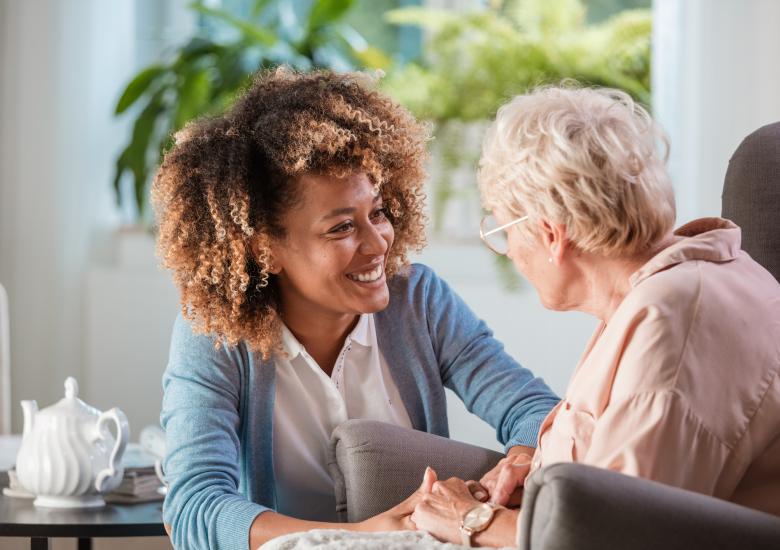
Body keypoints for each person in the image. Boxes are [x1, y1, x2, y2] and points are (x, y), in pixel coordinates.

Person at [154, 68, 559, 550]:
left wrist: (520, 460)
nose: (377, 244)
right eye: (341, 228)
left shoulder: (419, 300)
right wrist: (358, 539)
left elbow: (535, 409)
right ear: (265, 250)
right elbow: (194, 507)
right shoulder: (215, 334)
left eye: (379, 213)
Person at [410, 85, 780, 547]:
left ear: (551, 235)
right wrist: (542, 476)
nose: (508, 253)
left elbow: (618, 533)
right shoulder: (677, 284)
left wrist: (472, 521)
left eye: (503, 229)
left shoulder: (671, 322)